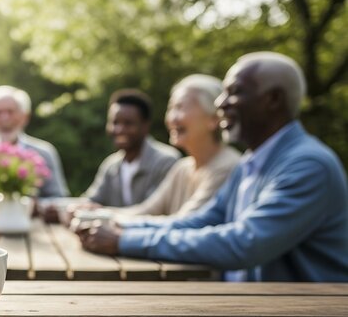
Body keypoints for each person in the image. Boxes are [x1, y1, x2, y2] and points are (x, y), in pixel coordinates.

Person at [77, 52, 348, 282]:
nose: (221, 104)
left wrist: (123, 241)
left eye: (235, 92)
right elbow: (201, 221)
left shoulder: (308, 165)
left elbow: (243, 243)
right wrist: (119, 228)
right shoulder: (250, 163)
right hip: (260, 307)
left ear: (273, 99)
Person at [112, 75, 240, 219]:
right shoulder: (182, 168)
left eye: (180, 107)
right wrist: (94, 214)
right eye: (171, 108)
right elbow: (146, 210)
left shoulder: (226, 168)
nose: (172, 118)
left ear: (214, 119)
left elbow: (184, 223)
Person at [0, 85, 69, 199]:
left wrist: (35, 206)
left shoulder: (44, 152)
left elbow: (58, 198)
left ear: (25, 116)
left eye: (11, 111)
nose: (5, 118)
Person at [82, 89, 180, 207]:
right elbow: (91, 200)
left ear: (145, 126)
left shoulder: (166, 162)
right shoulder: (111, 166)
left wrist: (104, 213)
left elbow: (153, 210)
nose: (119, 129)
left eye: (128, 123)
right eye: (115, 122)